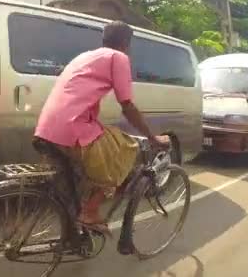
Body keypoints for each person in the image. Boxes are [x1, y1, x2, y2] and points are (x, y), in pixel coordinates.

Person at [33, 20, 169, 233]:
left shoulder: (84, 56)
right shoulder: (118, 57)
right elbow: (127, 105)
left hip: (46, 128)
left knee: (92, 160)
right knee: (124, 149)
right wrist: (152, 137)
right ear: (126, 43)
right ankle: (90, 212)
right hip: (73, 129)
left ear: (104, 39)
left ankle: (74, 228)